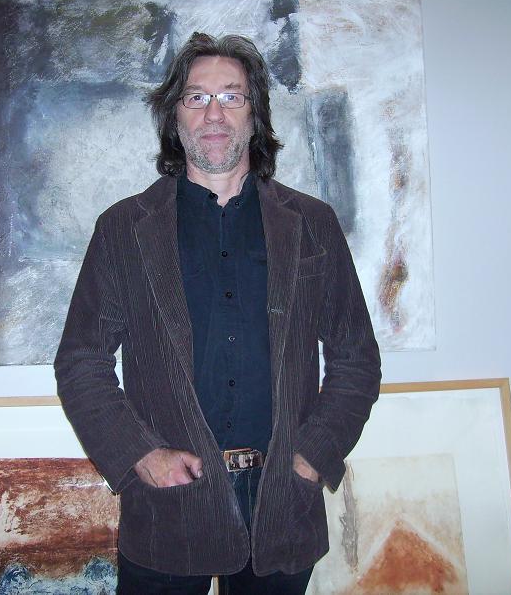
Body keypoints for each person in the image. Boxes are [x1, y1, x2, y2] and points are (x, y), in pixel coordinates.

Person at [55, 32, 381, 594]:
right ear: (174, 116)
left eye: (231, 96)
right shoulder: (123, 229)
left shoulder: (312, 224)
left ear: (255, 114)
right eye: (196, 97)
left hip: (283, 504)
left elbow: (356, 359)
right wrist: (140, 454)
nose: (214, 113)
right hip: (167, 506)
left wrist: (313, 455)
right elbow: (82, 360)